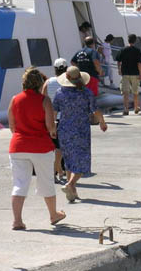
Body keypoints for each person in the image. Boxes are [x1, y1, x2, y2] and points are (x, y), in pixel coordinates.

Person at [8, 67, 67, 230]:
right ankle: (53, 215)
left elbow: (12, 126)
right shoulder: (44, 100)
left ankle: (17, 221)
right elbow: (50, 126)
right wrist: (53, 131)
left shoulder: (14, 99)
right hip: (41, 147)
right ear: (40, 84)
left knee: (19, 183)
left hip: (18, 146)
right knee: (46, 181)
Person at [53, 67, 108, 202]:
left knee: (69, 160)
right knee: (82, 160)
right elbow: (95, 110)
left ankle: (72, 192)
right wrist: (102, 122)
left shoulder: (59, 93)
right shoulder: (86, 93)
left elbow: (54, 112)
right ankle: (70, 184)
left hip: (64, 129)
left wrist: (52, 128)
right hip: (81, 129)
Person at [42, 58, 68, 183]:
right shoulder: (68, 82)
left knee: (53, 147)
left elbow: (42, 100)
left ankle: (59, 171)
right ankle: (55, 172)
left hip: (50, 119)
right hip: (64, 119)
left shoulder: (48, 82)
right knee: (60, 148)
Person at [115, 34, 141, 115]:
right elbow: (139, 64)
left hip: (125, 73)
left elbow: (118, 61)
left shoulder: (123, 49)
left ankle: (126, 109)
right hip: (135, 73)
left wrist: (119, 69)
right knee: (135, 92)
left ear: (128, 40)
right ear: (135, 41)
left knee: (125, 92)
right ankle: (135, 108)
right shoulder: (137, 50)